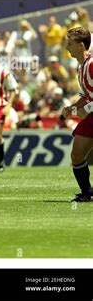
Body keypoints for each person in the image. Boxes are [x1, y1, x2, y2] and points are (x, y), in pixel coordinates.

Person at [62, 27, 93, 202]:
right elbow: (87, 94)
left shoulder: (92, 64)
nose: (67, 47)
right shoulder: (81, 67)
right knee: (76, 154)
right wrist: (72, 108)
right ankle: (87, 193)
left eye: (70, 43)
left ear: (81, 45)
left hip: (91, 113)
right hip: (92, 116)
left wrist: (86, 110)